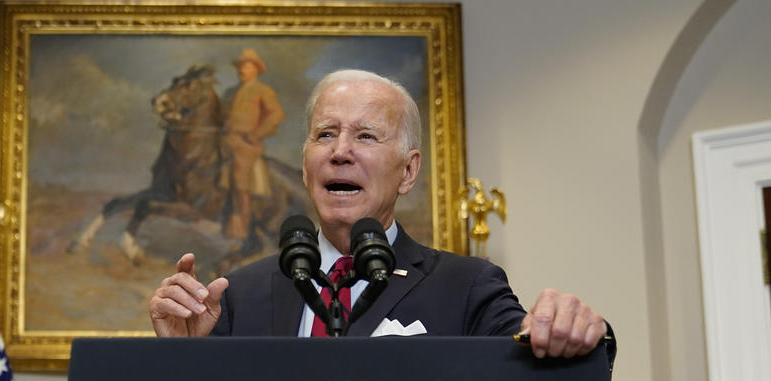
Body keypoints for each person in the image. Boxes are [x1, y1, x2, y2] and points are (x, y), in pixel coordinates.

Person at [150, 69, 610, 360]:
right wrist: (180, 359)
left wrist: (573, 330)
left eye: (366, 136)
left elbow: (531, 358)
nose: (341, 151)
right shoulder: (240, 295)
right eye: (325, 134)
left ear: (408, 172)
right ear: (306, 164)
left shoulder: (467, 287)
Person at [221, 48, 286, 239]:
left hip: (246, 144)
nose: (243, 71)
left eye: (247, 67)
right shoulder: (230, 92)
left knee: (240, 176)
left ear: (256, 70)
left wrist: (257, 134)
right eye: (241, 67)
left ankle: (240, 226)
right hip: (225, 140)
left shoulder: (263, 91)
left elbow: (277, 114)